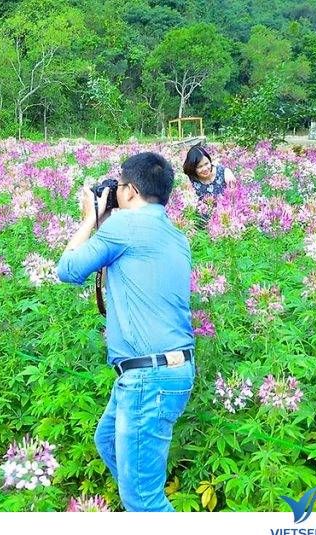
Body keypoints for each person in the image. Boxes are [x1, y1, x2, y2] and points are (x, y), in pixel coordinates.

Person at [56, 152, 195, 512]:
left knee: (142, 499)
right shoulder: (176, 236)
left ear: (130, 191)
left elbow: (68, 269)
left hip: (148, 376)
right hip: (170, 371)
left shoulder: (123, 229)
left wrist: (91, 218)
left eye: (118, 187)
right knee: (107, 441)